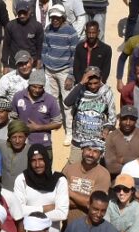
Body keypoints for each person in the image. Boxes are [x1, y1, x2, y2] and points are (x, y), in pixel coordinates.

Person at [40, 6, 78, 146]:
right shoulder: (48, 29)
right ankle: (56, 123)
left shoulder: (71, 32)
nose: (55, 20)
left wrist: (70, 75)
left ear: (63, 18)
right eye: (52, 18)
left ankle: (69, 132)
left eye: (57, 18)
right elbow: (44, 48)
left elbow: (75, 55)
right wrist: (44, 64)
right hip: (49, 70)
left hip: (64, 71)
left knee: (67, 103)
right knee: (52, 99)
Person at [63, 66, 116, 156]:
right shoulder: (79, 89)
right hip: (78, 142)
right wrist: (81, 83)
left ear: (101, 79)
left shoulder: (106, 92)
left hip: (97, 144)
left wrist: (107, 129)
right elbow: (67, 102)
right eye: (89, 83)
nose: (93, 86)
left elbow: (112, 118)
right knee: (74, 166)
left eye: (96, 83)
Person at [13, 146, 68, 230]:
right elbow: (18, 210)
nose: (37, 165)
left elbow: (62, 213)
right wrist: (43, 209)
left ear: (46, 159)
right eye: (33, 161)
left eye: (41, 159)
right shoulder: (22, 179)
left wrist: (33, 216)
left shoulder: (59, 180)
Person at [11, 70, 63, 151]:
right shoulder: (18, 96)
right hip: (21, 144)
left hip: (43, 144)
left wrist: (38, 127)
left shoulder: (50, 100)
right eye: (34, 86)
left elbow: (58, 123)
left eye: (40, 87)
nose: (37, 90)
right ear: (29, 84)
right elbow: (12, 117)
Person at [2, 3, 41, 71]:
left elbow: (40, 47)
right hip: (14, 66)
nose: (22, 15)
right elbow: (6, 46)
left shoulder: (37, 26)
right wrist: (5, 65)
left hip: (31, 66)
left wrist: (38, 61)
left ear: (29, 12)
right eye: (20, 13)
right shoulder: (10, 26)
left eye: (24, 12)